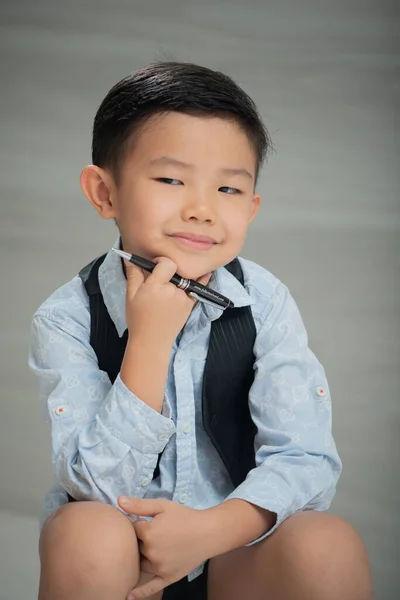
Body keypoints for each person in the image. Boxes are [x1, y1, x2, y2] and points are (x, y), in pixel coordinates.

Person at [29, 61, 373, 600]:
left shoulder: (264, 301)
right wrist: (148, 340)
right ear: (105, 193)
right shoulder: (68, 315)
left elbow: (306, 458)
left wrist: (209, 531)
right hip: (126, 558)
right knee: (86, 531)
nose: (202, 210)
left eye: (230, 190)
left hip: (234, 550)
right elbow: (95, 488)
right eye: (170, 180)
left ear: (253, 207)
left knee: (326, 543)